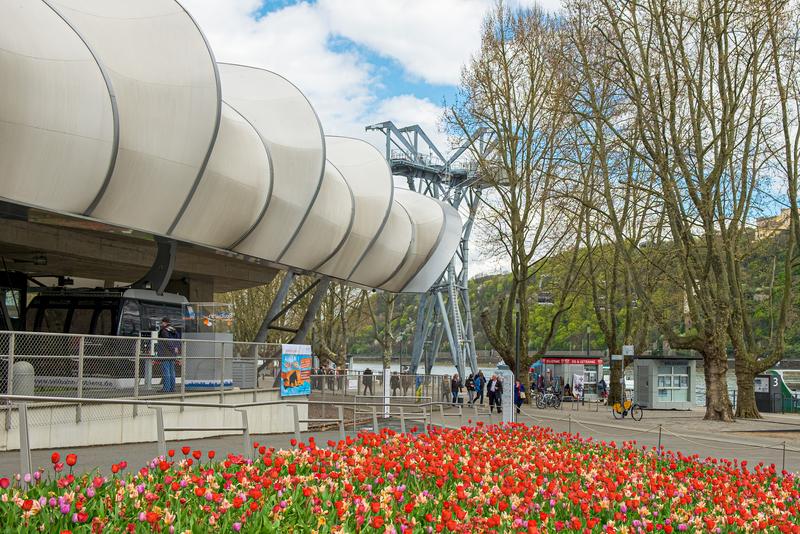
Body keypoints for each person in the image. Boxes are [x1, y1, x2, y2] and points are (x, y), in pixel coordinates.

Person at [157, 317, 181, 393]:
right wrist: (176, 349)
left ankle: (166, 388)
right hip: (173, 354)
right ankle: (172, 388)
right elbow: (178, 341)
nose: (161, 324)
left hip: (165, 353)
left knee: (166, 371)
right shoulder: (174, 330)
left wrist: (172, 348)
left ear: (164, 322)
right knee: (172, 371)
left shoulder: (164, 331)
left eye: (162, 322)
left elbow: (167, 341)